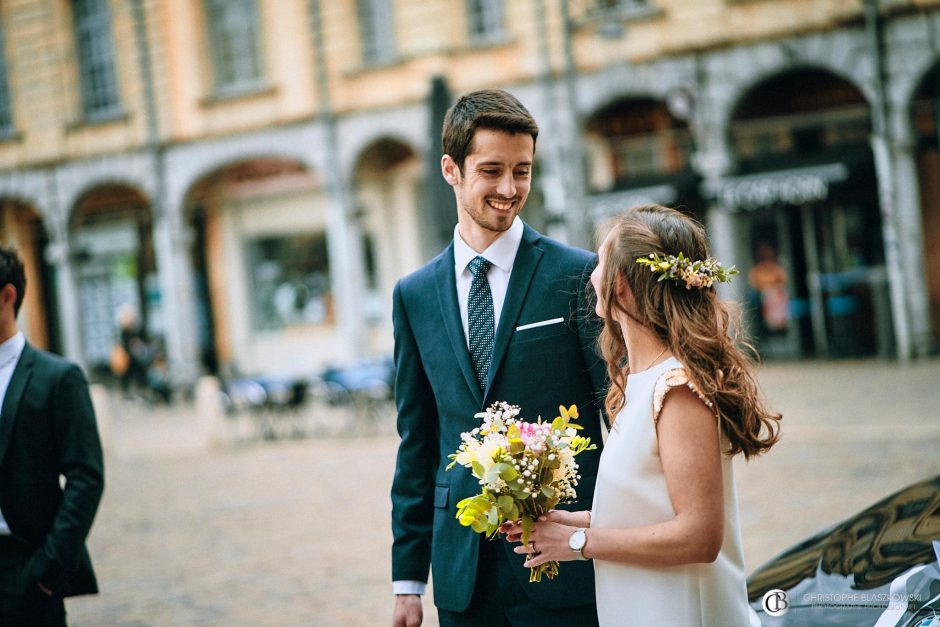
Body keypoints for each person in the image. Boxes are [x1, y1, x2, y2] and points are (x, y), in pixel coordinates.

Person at [390, 89, 607, 626]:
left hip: (565, 563)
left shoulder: (577, 275)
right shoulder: (413, 294)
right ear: (451, 169)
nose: (510, 189)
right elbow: (418, 441)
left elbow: (617, 412)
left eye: (523, 171)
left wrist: (608, 530)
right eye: (491, 170)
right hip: (462, 576)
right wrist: (408, 581)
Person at [505, 205, 781, 626]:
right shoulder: (639, 383)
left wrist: (580, 542)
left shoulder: (677, 391)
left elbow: (699, 536)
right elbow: (652, 509)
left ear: (619, 285)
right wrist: (573, 521)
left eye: (599, 261)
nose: (591, 275)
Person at [0, 246, 105, 625]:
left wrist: (48, 568)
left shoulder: (57, 378)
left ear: (7, 296)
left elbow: (86, 477)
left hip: (26, 567)